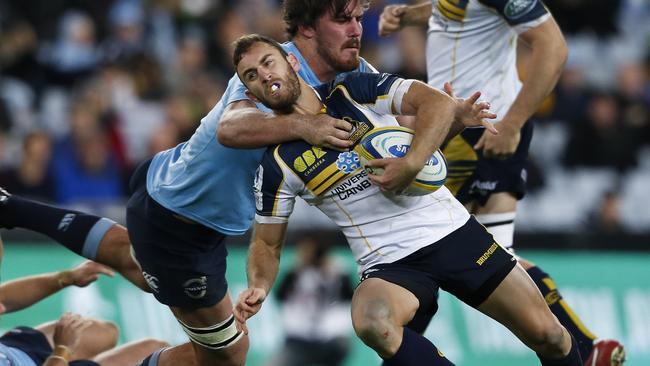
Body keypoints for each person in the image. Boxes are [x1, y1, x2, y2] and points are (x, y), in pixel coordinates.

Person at [0, 1, 384, 365]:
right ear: (307, 29)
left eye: (357, 18)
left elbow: (402, 112)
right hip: (183, 224)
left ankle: (11, 207)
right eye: (343, 21)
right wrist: (305, 124)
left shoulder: (352, 74)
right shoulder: (269, 68)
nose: (357, 29)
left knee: (138, 264)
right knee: (229, 353)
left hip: (177, 200)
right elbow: (231, 128)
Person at [231, 34, 582, 366]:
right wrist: (259, 286)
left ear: (291, 61)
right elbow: (266, 241)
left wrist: (433, 142)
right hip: (389, 263)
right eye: (252, 75)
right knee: (372, 321)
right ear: (253, 94)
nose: (264, 75)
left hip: (453, 234)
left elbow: (434, 104)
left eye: (268, 62)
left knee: (550, 336)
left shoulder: (352, 90)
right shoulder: (277, 163)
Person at [377, 1, 625, 365]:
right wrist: (411, 14)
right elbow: (459, 9)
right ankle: (586, 349)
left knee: (420, 248)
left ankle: (584, 349)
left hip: (483, 130)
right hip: (464, 127)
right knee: (486, 254)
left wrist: (511, 123)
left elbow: (553, 47)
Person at [0, 242, 168, 366]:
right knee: (156, 351)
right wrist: (63, 349)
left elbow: (3, 299)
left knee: (105, 331)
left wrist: (67, 277)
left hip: (12, 350)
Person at [266, 235, 354, 366]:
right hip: (299, 336)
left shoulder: (337, 270)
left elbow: (350, 296)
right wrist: (297, 269)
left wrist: (331, 274)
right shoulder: (296, 272)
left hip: (330, 337)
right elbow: (280, 295)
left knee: (341, 345)